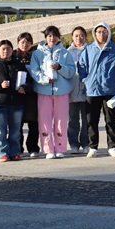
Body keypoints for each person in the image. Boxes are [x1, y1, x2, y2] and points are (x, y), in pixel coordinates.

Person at [78, 22, 115, 158]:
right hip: (92, 90)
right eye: (99, 32)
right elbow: (81, 66)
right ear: (94, 33)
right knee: (91, 120)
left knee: (111, 120)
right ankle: (93, 147)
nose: (101, 34)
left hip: (110, 90)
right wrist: (85, 79)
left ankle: (112, 146)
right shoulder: (88, 49)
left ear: (108, 33)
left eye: (104, 31)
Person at [28, 26, 76, 159]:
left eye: (55, 35)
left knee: (61, 120)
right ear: (45, 37)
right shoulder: (37, 54)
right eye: (49, 36)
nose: (52, 38)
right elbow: (34, 71)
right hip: (44, 91)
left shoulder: (65, 53)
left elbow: (71, 71)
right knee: (44, 120)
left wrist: (60, 67)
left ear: (59, 37)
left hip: (62, 91)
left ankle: (60, 147)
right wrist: (45, 79)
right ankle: (48, 148)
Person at [13, 32, 40, 157]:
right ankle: (17, 147)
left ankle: (33, 147)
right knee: (17, 123)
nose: (25, 44)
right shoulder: (12, 55)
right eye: (22, 42)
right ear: (18, 42)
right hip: (16, 94)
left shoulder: (35, 56)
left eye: (28, 42)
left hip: (32, 93)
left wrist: (27, 87)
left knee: (33, 123)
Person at [66, 26, 89, 154]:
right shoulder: (67, 53)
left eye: (81, 35)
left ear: (85, 36)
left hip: (87, 90)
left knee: (87, 119)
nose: (79, 38)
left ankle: (86, 143)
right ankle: (74, 143)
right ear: (72, 37)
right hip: (72, 90)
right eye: (76, 36)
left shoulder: (91, 50)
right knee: (73, 119)